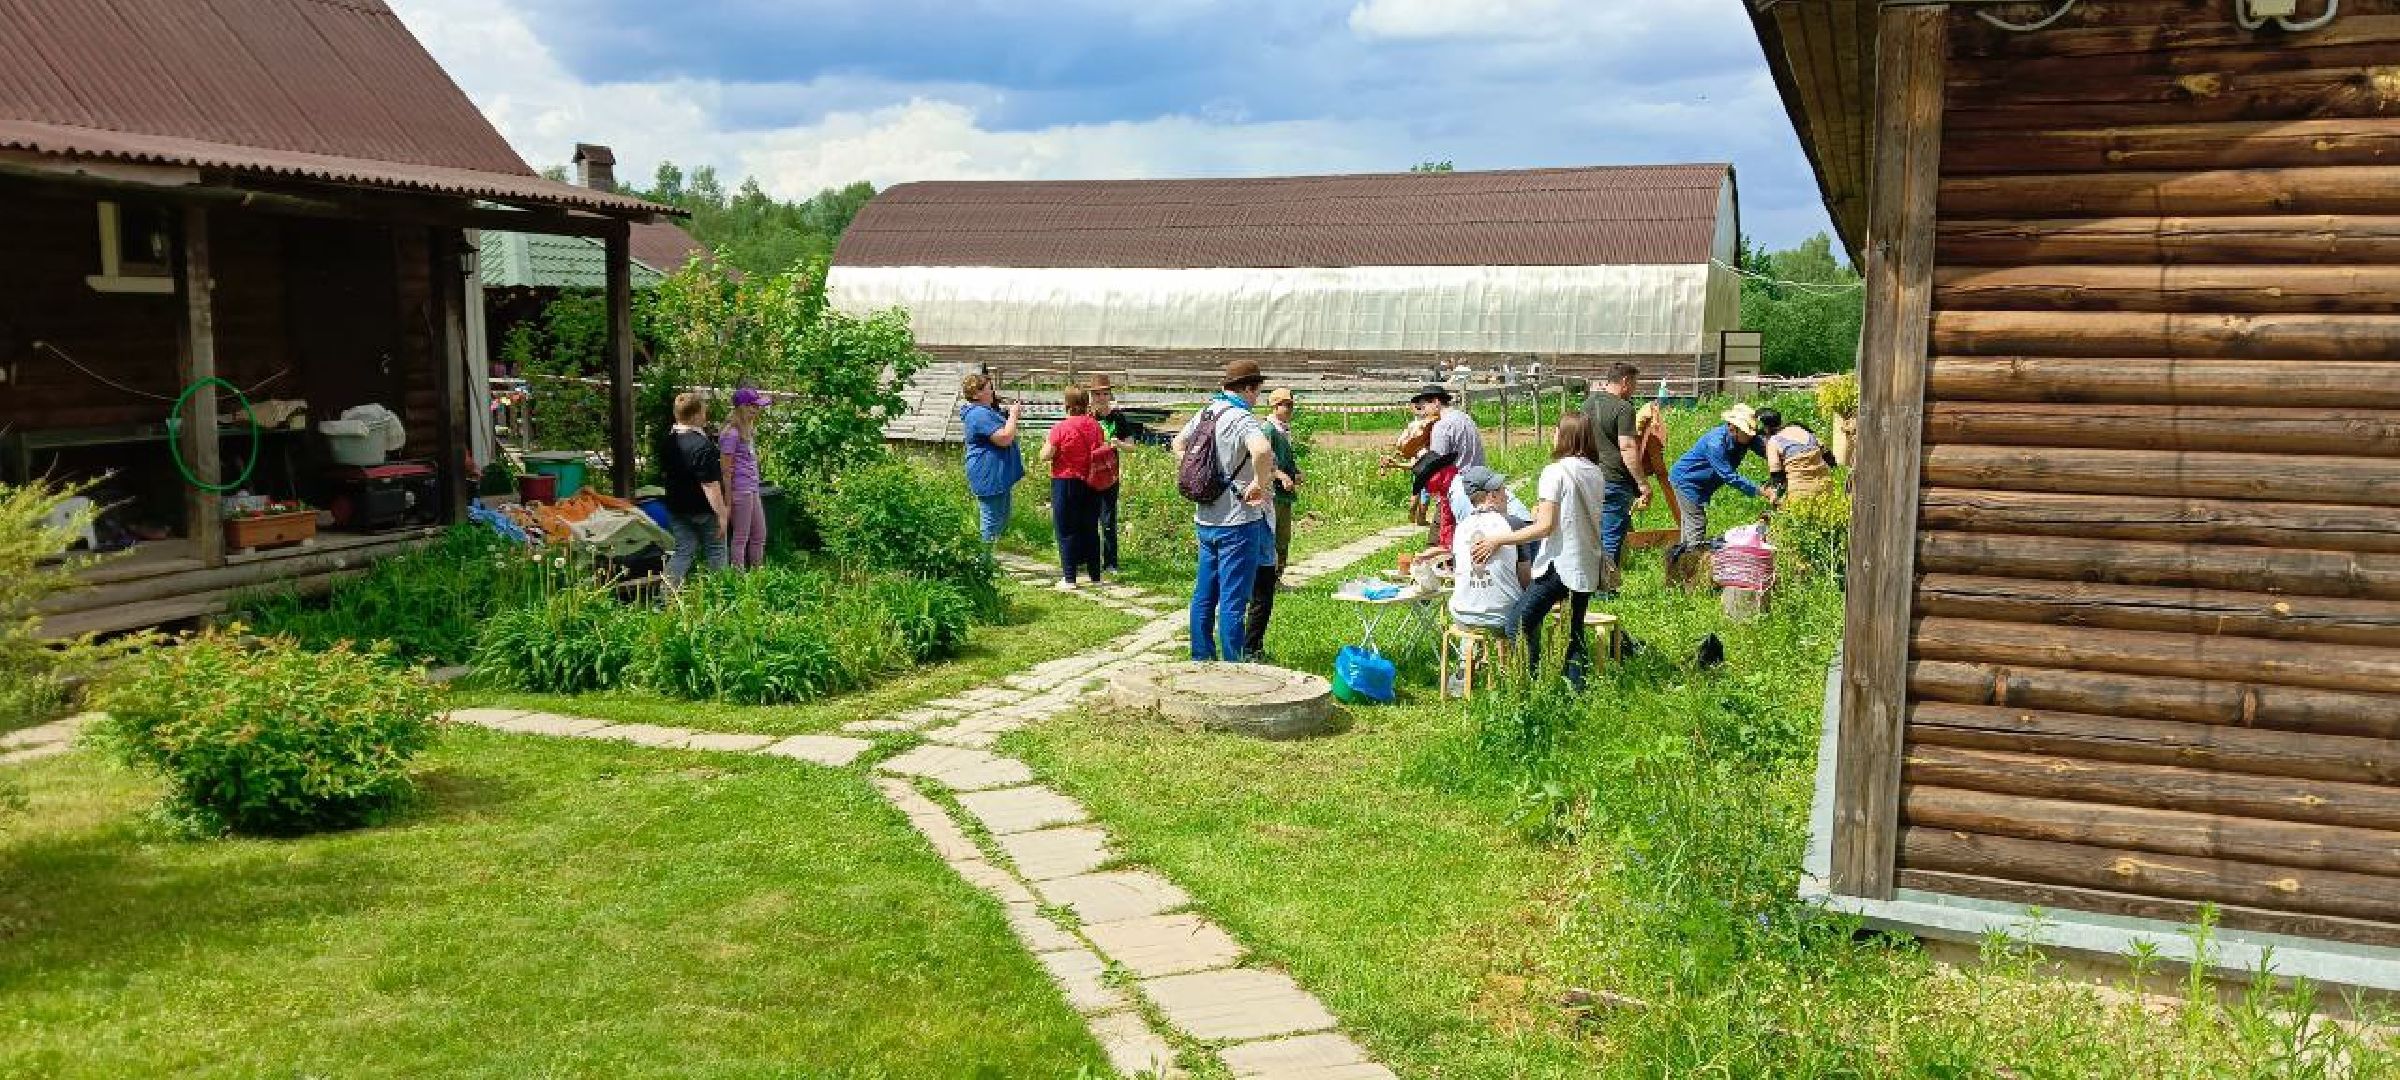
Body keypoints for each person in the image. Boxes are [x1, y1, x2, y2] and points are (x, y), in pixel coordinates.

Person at [1471, 413, 1614, 689]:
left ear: (1566, 436)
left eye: (1557, 430)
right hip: (1586, 562)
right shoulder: (1595, 472)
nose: (1553, 435)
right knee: (1573, 632)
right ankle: (1576, 692)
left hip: (1558, 564)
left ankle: (1532, 683)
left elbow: (1545, 527)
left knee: (1517, 625)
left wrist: (1499, 540)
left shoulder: (1555, 472)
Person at [1171, 360, 1276, 663]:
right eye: (1257, 391)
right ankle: (1233, 665)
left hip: (1206, 518)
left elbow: (1178, 444)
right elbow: (1262, 450)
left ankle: (1201, 658)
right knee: (1233, 600)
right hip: (1238, 521)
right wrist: (1258, 483)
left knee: (1204, 595)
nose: (1257, 398)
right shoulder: (1242, 418)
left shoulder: (1206, 412)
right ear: (1248, 389)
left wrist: (1199, 474)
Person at [1243, 387, 1302, 659]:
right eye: (1283, 405)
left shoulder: (1283, 430)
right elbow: (1266, 461)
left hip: (1283, 492)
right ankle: (1272, 578)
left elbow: (1284, 459)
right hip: (1271, 494)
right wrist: (1281, 476)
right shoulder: (1267, 429)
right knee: (1275, 536)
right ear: (1274, 406)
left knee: (1284, 536)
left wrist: (1295, 472)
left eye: (1290, 405)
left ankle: (1277, 576)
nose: (1287, 409)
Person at [1670, 402, 1776, 548]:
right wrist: (1761, 490)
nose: (1752, 437)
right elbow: (1728, 476)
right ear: (1733, 429)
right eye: (1748, 433)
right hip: (1686, 481)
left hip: (1699, 482)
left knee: (1690, 524)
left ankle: (1682, 556)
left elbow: (1768, 452)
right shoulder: (1715, 444)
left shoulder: (1745, 437)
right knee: (1696, 522)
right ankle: (1693, 557)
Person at [1582, 362, 1650, 569]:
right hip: (1614, 479)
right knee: (1611, 537)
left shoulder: (1588, 404)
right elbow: (1627, 447)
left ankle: (1592, 577)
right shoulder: (1623, 408)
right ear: (1625, 381)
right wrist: (1642, 483)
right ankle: (1607, 582)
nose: (1634, 389)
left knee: (1593, 533)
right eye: (1634, 383)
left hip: (1589, 476)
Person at [657, 391, 728, 589]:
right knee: (716, 550)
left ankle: (666, 593)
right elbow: (710, 485)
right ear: (696, 415)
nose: (705, 416)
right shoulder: (702, 446)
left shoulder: (667, 442)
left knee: (683, 550)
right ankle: (721, 592)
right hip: (703, 509)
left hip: (676, 507)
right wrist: (722, 514)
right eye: (704, 412)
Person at [1039, 386, 1107, 590]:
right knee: (1090, 528)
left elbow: (1045, 455)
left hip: (1066, 481)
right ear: (1086, 403)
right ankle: (1096, 576)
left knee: (1066, 529)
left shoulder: (1060, 428)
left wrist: (1046, 444)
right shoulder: (1095, 426)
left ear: (1066, 404)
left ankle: (1069, 578)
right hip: (1092, 481)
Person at [1448, 466, 1528, 633]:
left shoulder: (1460, 528)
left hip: (1462, 614)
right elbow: (1525, 579)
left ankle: (1469, 651)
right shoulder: (1513, 524)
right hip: (1503, 617)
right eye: (1503, 490)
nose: (1507, 496)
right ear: (1492, 495)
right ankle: (1527, 651)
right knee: (1534, 607)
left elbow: (1458, 572)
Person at [1415, 383, 1485, 547]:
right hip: (1479, 484)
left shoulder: (1442, 426)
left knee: (1438, 543)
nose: (1423, 412)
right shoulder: (1465, 418)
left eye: (1424, 406)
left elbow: (1436, 465)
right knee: (1471, 536)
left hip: (1457, 488)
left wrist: (1420, 455)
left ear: (1436, 402)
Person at [959, 372, 1025, 545]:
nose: (992, 392)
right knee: (991, 522)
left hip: (997, 474)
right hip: (988, 475)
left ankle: (992, 554)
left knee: (1001, 518)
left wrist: (1009, 414)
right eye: (989, 389)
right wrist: (1013, 416)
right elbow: (1004, 438)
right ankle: (984, 558)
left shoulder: (986, 411)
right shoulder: (978, 414)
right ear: (976, 394)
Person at [1088, 375, 1145, 573]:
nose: (1101, 398)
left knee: (1108, 519)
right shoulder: (1087, 417)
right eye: (1097, 394)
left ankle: (1110, 562)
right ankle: (1087, 558)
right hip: (1088, 474)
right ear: (1092, 396)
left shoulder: (1118, 418)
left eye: (1105, 394)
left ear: (1110, 395)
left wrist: (1118, 443)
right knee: (1087, 518)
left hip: (1109, 475)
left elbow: (1132, 446)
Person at [718, 387, 769, 569]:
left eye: (758, 406)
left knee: (759, 535)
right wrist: (728, 501)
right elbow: (726, 470)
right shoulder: (731, 433)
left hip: (752, 488)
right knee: (741, 537)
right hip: (740, 490)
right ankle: (737, 577)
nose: (757, 410)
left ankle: (757, 574)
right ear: (742, 407)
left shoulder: (747, 430)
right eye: (753, 406)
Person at [1757, 408, 1837, 502]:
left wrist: (1773, 496)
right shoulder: (1800, 429)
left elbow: (1777, 477)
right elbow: (1829, 456)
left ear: (1766, 429)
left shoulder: (1774, 441)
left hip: (1800, 493)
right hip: (1825, 488)